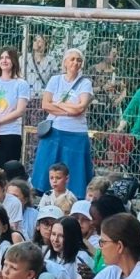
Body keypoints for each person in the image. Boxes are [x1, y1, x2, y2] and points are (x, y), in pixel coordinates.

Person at [31, 48, 93, 199]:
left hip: (76, 133)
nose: (75, 63)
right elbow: (46, 104)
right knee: (47, 164)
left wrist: (58, 104)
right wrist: (69, 111)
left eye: (79, 60)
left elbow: (81, 107)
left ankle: (74, 199)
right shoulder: (55, 80)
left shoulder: (85, 83)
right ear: (65, 62)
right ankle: (44, 195)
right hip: (55, 130)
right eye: (72, 59)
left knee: (75, 170)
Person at [0, 46, 30, 168]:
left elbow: (19, 111)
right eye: (1, 58)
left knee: (8, 171)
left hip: (10, 133)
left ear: (14, 61)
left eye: (7, 57)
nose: (4, 60)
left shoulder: (21, 84)